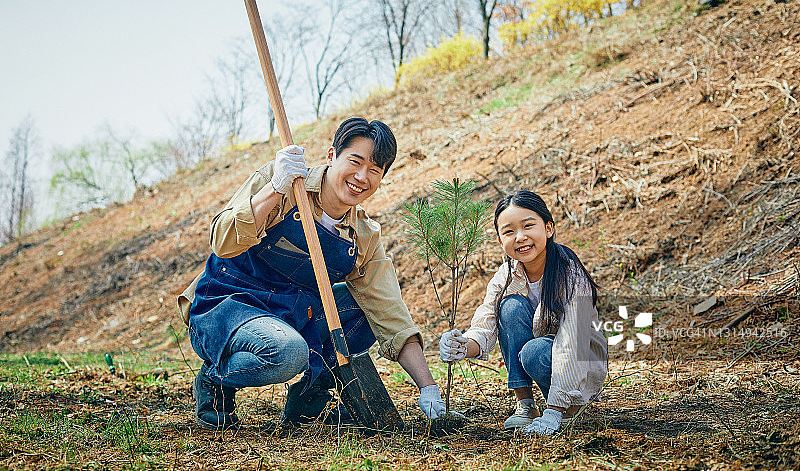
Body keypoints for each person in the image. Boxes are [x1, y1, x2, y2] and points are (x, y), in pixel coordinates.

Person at [178, 117, 447, 430]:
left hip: (292, 313)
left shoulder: (362, 236)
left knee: (367, 311)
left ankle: (309, 400)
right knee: (287, 353)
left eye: (374, 170)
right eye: (355, 162)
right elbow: (222, 241)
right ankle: (215, 380)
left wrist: (427, 387)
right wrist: (275, 189)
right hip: (228, 306)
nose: (361, 177)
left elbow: (390, 313)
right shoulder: (284, 180)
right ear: (332, 156)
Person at [439, 190, 608, 435]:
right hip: (545, 357)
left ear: (548, 228)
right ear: (499, 240)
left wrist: (554, 411)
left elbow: (573, 344)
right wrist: (462, 346)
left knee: (534, 351)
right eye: (508, 231)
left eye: (528, 226)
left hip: (580, 365)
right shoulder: (506, 276)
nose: (520, 237)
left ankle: (570, 409)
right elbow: (484, 326)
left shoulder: (570, 275)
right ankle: (526, 406)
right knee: (509, 307)